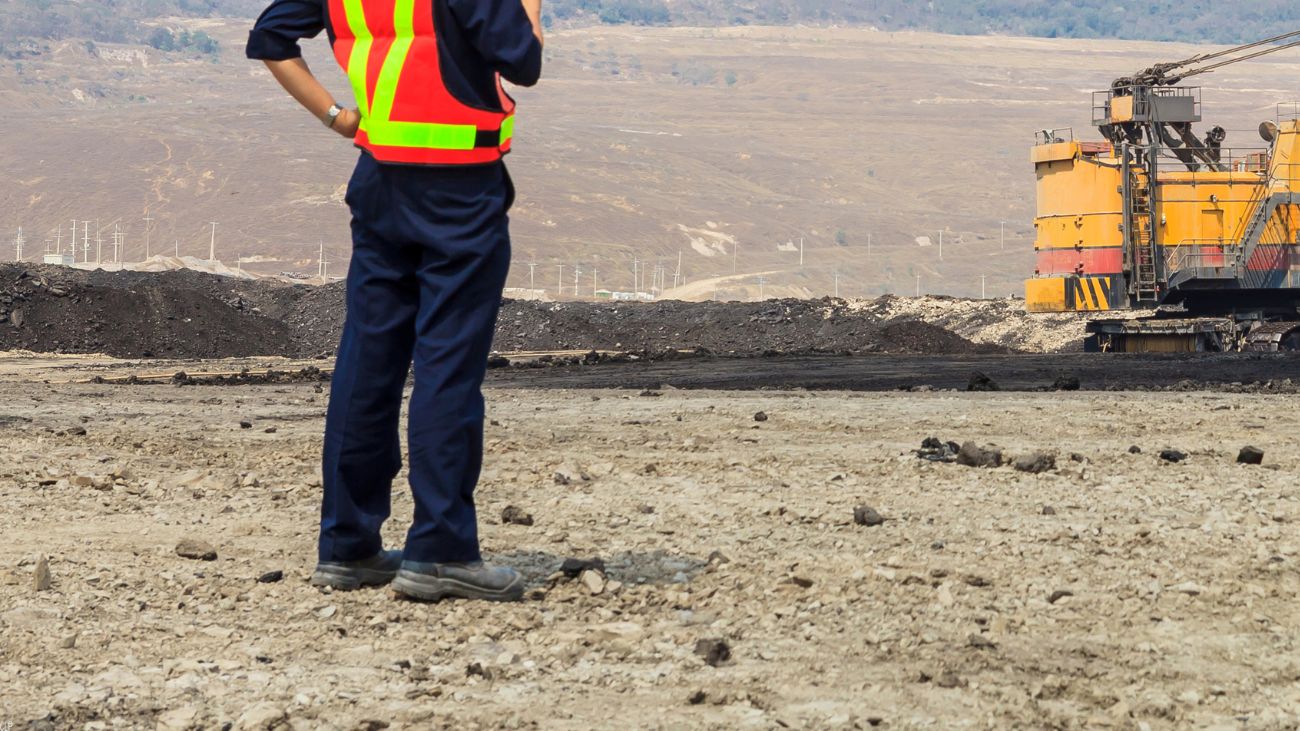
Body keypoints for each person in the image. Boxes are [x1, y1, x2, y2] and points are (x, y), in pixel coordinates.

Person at [246, 0, 544, 602]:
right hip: (459, 189)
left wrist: (337, 118)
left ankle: (347, 546)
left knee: (368, 363)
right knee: (447, 369)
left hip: (381, 181)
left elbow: (270, 39)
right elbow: (523, 59)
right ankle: (441, 551)